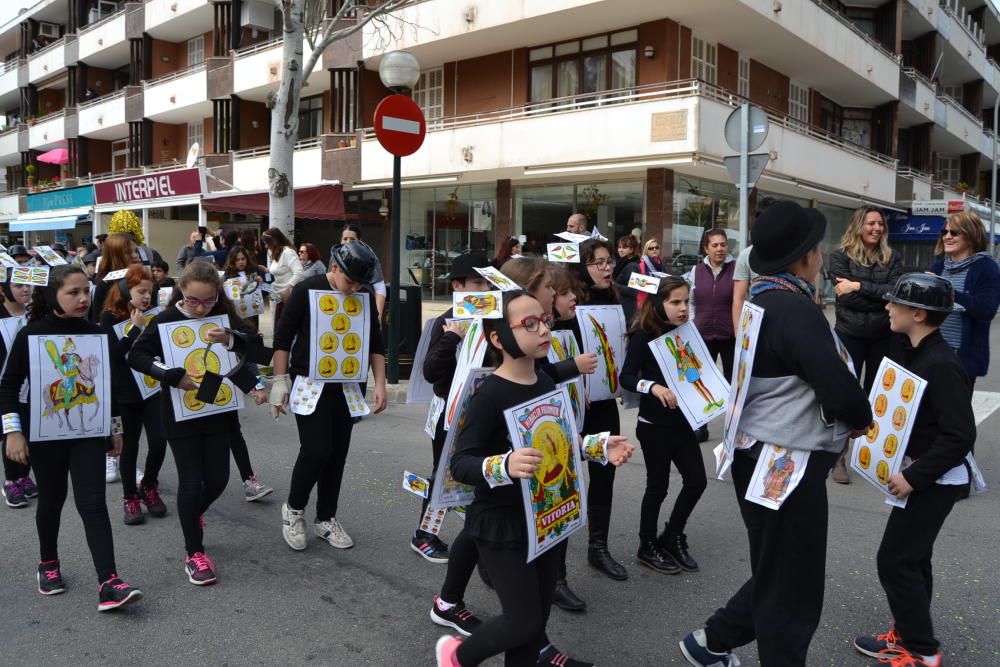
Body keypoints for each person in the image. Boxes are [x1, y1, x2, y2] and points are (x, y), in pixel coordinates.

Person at [678, 201, 872, 667]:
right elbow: (836, 385)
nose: (823, 257)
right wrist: (861, 418)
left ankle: (711, 641)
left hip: (757, 456)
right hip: (785, 463)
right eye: (818, 249)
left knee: (781, 569)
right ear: (805, 256)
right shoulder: (793, 308)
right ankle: (724, 644)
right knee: (792, 587)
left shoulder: (762, 299)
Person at [434, 290, 633, 667]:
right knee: (521, 620)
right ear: (498, 338)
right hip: (501, 524)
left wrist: (596, 446)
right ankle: (457, 657)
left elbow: (555, 440)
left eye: (544, 320)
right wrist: (503, 465)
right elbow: (461, 464)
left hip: (547, 517)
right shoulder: (488, 394)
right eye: (529, 323)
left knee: (536, 620)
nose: (543, 329)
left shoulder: (544, 380)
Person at [1, 264, 143, 610]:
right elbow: (7, 386)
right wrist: (13, 433)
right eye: (73, 293)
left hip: (88, 433)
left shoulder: (97, 333)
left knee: (93, 502)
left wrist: (116, 427)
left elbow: (111, 382)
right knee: (52, 499)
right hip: (44, 434)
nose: (82, 298)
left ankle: (109, 581)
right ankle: (48, 563)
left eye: (85, 291)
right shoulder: (30, 334)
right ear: (53, 296)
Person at [852, 273, 976, 667]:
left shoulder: (941, 363)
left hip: (934, 480)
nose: (888, 307)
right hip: (920, 474)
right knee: (914, 557)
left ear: (918, 313)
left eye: (895, 303)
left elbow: (959, 437)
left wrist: (913, 477)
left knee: (895, 560)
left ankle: (922, 650)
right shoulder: (910, 348)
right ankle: (908, 633)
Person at [128, 261, 270, 586]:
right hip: (179, 413)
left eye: (208, 301)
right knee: (191, 482)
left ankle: (193, 513)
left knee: (218, 481)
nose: (200, 307)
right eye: (193, 300)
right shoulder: (165, 320)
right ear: (181, 292)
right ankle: (195, 553)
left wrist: (236, 347)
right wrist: (168, 374)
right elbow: (135, 356)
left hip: (217, 410)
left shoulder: (223, 318)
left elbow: (254, 351)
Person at [270, 242, 387, 552]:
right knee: (316, 449)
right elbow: (282, 338)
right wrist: (280, 381)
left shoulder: (362, 296)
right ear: (335, 268)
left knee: (337, 454)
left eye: (361, 283)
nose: (355, 288)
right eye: (350, 281)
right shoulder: (307, 289)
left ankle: (326, 518)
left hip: (348, 385)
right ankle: (294, 510)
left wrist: (380, 384)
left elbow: (375, 343)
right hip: (310, 384)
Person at [620, 276, 707, 576]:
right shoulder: (643, 335)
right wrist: (653, 387)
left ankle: (672, 535)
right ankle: (646, 545)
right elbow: (627, 377)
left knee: (697, 481)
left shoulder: (688, 332)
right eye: (675, 302)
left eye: (687, 302)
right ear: (659, 303)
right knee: (657, 487)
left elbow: (699, 371)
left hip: (683, 423)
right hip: (654, 425)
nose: (683, 308)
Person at [416, 253, 492, 563]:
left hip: (480, 411)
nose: (485, 290)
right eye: (478, 283)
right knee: (442, 472)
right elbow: (431, 371)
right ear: (458, 286)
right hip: (448, 411)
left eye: (488, 283)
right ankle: (424, 534)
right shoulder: (446, 320)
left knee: (476, 473)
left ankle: (474, 531)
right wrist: (451, 336)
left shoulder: (492, 318)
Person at [826, 206, 903, 483]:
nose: (877, 228)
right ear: (859, 226)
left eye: (880, 223)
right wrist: (877, 296)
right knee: (847, 395)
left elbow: (895, 292)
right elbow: (844, 299)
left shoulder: (892, 257)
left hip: (884, 336)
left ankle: (875, 458)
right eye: (871, 223)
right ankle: (839, 458)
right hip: (849, 334)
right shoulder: (839, 257)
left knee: (880, 396)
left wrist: (857, 286)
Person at [572, 238, 629, 581]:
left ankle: (598, 547)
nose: (607, 268)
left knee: (604, 471)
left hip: (605, 400)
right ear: (583, 266)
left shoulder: (616, 297)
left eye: (609, 262)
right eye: (599, 262)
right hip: (577, 402)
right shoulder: (570, 302)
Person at [98, 265, 169, 525]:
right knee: (129, 448)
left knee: (160, 441)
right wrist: (135, 329)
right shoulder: (109, 317)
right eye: (141, 292)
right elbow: (114, 356)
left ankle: (148, 485)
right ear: (127, 291)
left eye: (150, 292)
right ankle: (130, 497)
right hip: (125, 393)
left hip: (151, 389)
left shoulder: (155, 314)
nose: (146, 297)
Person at [931, 210, 1000, 385]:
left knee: (955, 412)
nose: (947, 237)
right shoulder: (939, 267)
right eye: (944, 232)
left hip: (961, 359)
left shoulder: (986, 267)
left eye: (954, 232)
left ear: (971, 236)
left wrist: (949, 292)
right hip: (931, 351)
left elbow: (987, 310)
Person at [0, 278, 36, 508]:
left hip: (33, 386)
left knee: (32, 431)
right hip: (7, 388)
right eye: (18, 285)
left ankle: (24, 475)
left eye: (28, 285)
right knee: (11, 431)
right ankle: (11, 480)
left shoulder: (35, 315)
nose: (26, 289)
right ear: (3, 290)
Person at [731, 197, 778, 334]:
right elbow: (738, 300)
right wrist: (738, 337)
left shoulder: (793, 253)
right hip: (757, 325)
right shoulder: (746, 255)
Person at [340, 224, 387, 320]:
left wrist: (378, 317)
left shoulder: (369, 258)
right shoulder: (335, 256)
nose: (348, 242)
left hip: (363, 307)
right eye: (345, 239)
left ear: (360, 241)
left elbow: (380, 288)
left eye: (352, 239)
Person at [261, 227, 302, 325]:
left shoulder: (288, 252)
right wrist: (266, 272)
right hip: (279, 299)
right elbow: (276, 273)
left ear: (274, 241)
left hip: (289, 300)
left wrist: (288, 288)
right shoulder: (275, 253)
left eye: (267, 243)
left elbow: (299, 272)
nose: (266, 246)